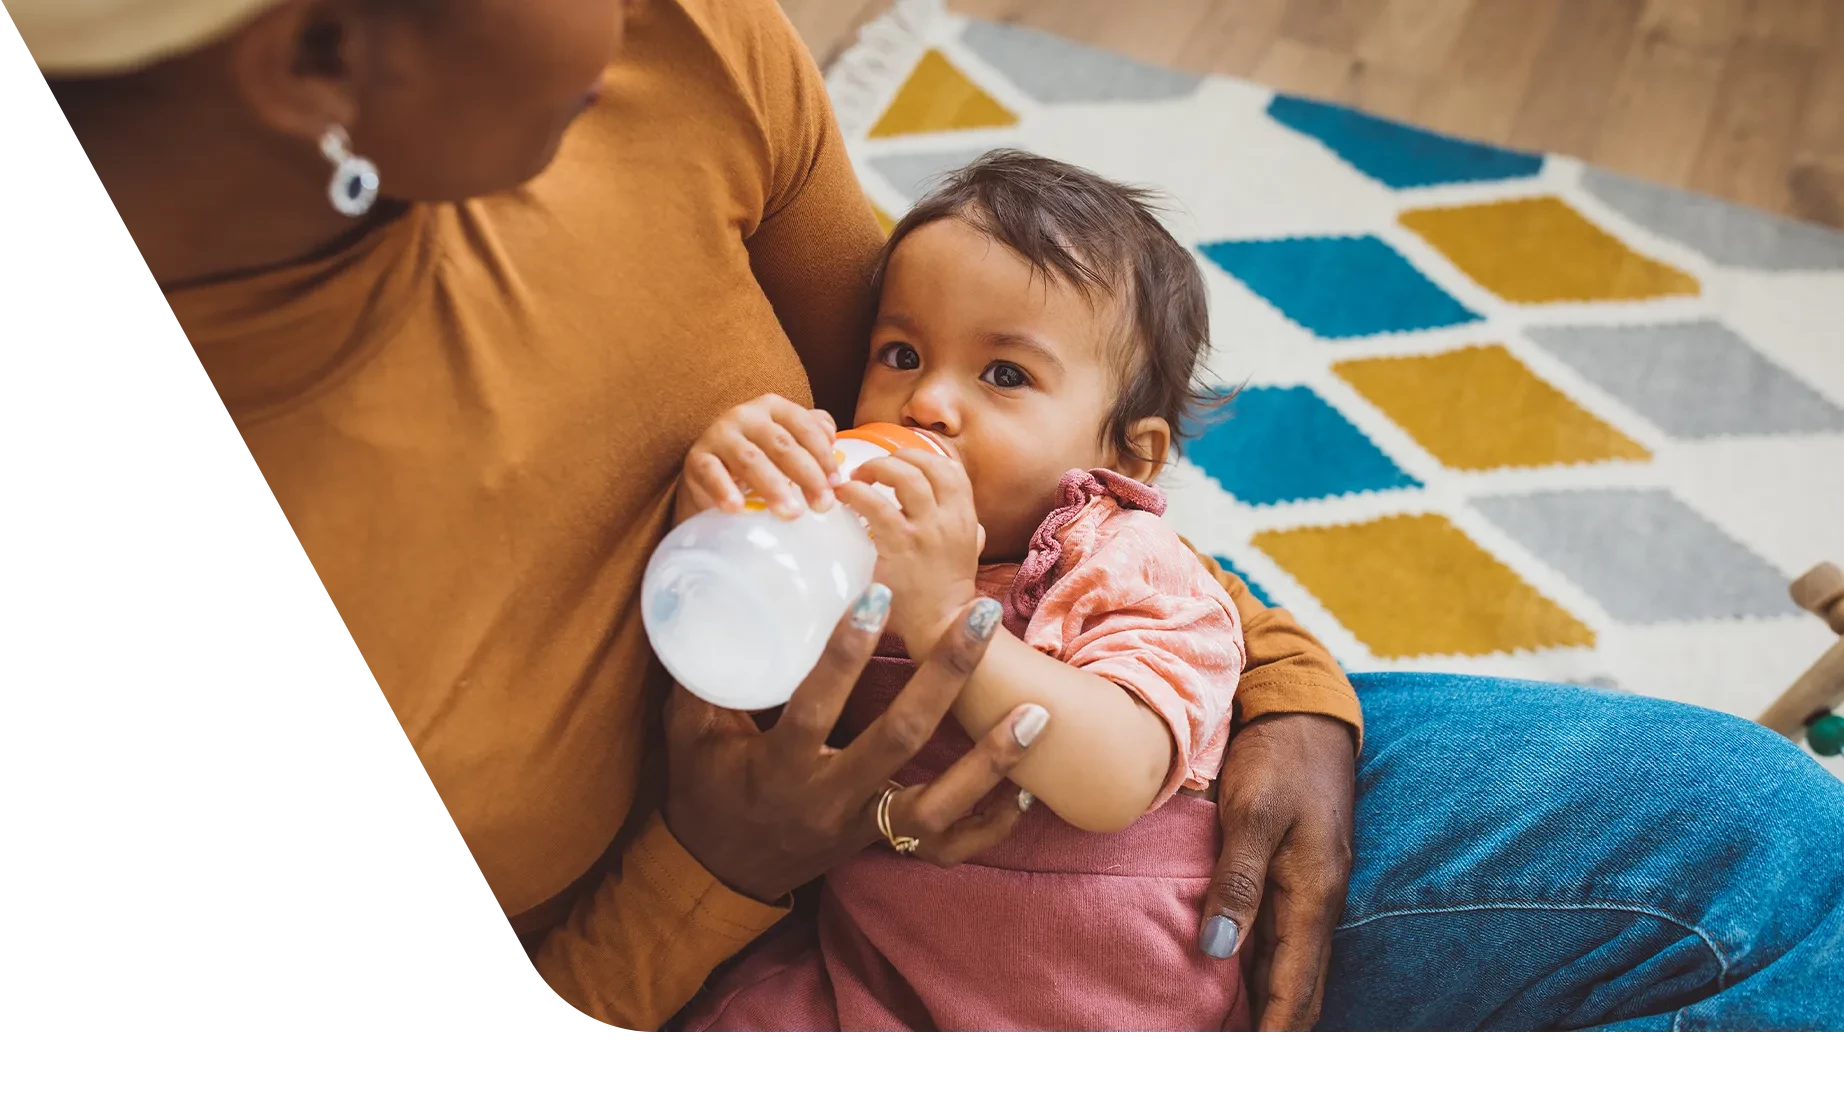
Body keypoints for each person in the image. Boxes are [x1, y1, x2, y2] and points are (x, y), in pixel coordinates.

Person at [17, 0, 1839, 1032]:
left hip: (1078, 853)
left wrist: (1269, 671)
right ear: (320, 58)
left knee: (1753, 848)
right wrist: (715, 869)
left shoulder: (653, 63)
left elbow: (993, 416)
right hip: (736, 976)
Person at [681, 150, 1257, 1030]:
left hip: (1101, 989)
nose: (929, 404)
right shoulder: (850, 534)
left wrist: (948, 617)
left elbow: (1117, 775)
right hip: (883, 971)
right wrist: (734, 504)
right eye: (902, 353)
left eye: (1004, 375)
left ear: (1125, 456)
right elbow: (753, 683)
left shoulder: (1121, 557)